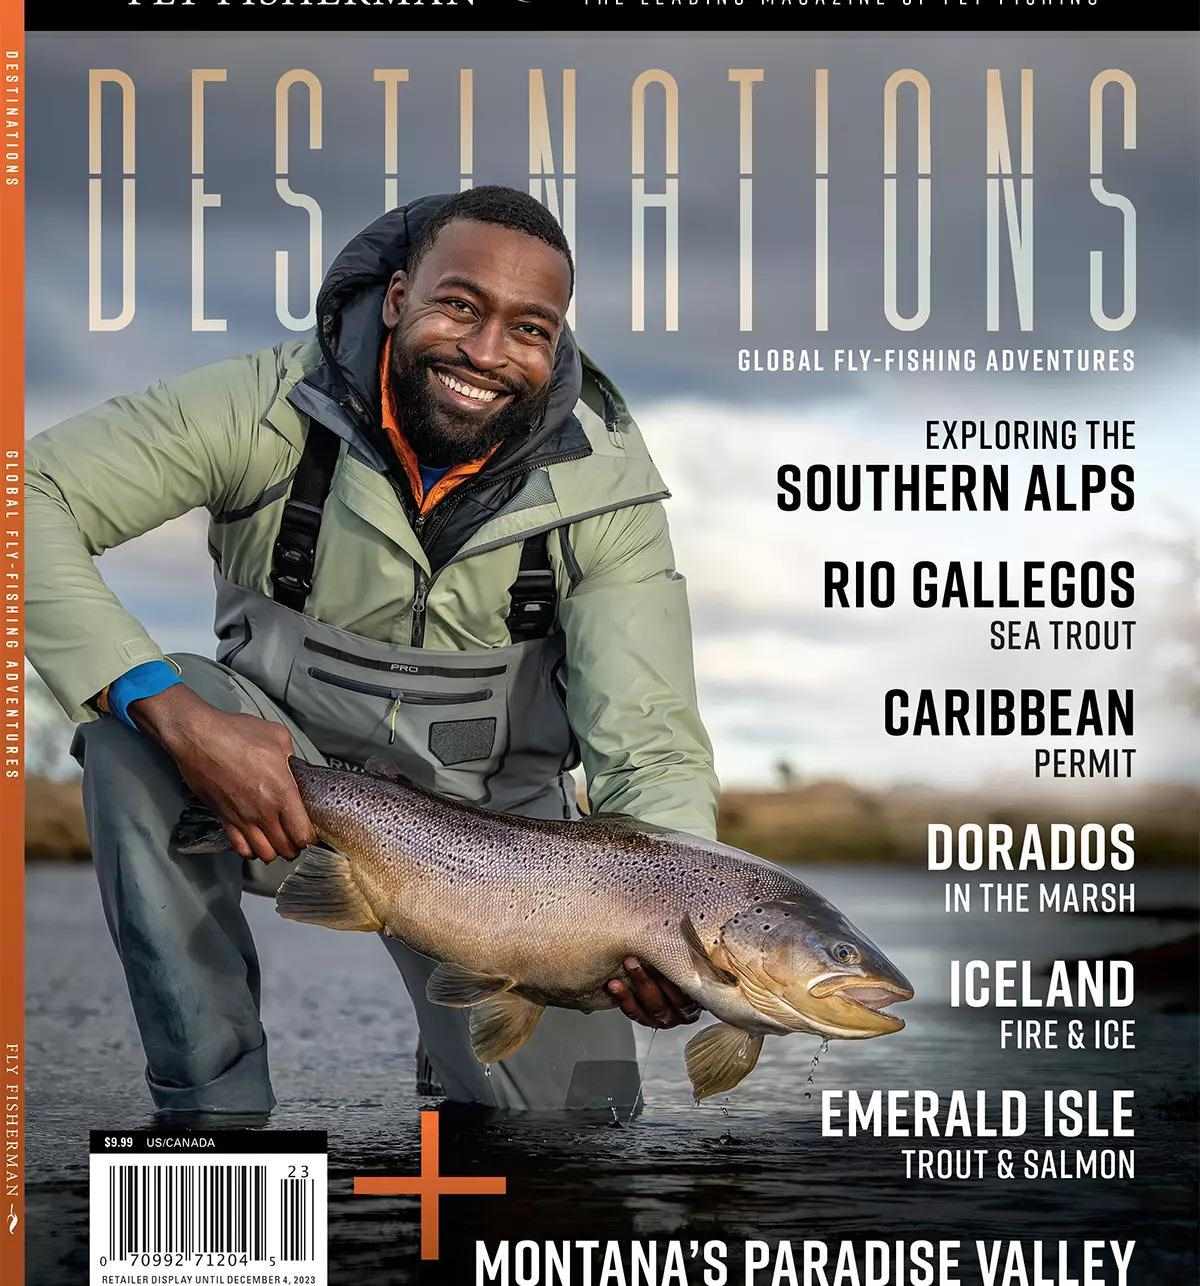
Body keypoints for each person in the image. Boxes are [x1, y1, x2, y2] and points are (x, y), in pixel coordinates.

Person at [25, 186, 719, 1114]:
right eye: (459, 306)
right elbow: (26, 498)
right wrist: (171, 710)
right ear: (396, 298)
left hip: (509, 863)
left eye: (529, 328)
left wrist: (676, 933)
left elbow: (652, 747)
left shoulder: (610, 490)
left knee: (577, 1145)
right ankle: (215, 1120)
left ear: (555, 343)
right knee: (132, 734)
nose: (486, 352)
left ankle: (461, 1057)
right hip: (276, 793)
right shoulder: (263, 404)